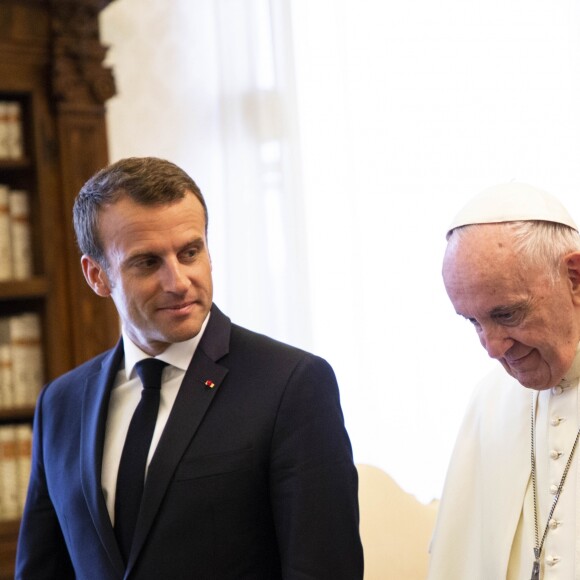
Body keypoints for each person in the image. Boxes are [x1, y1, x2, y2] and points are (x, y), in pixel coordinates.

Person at [15, 157, 364, 579]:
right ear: (97, 276)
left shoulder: (293, 385)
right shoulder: (61, 404)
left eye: (190, 252)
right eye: (147, 262)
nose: (178, 281)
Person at [427, 182, 580, 579]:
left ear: (575, 278)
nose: (492, 348)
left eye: (507, 314)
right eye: (473, 322)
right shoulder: (490, 402)